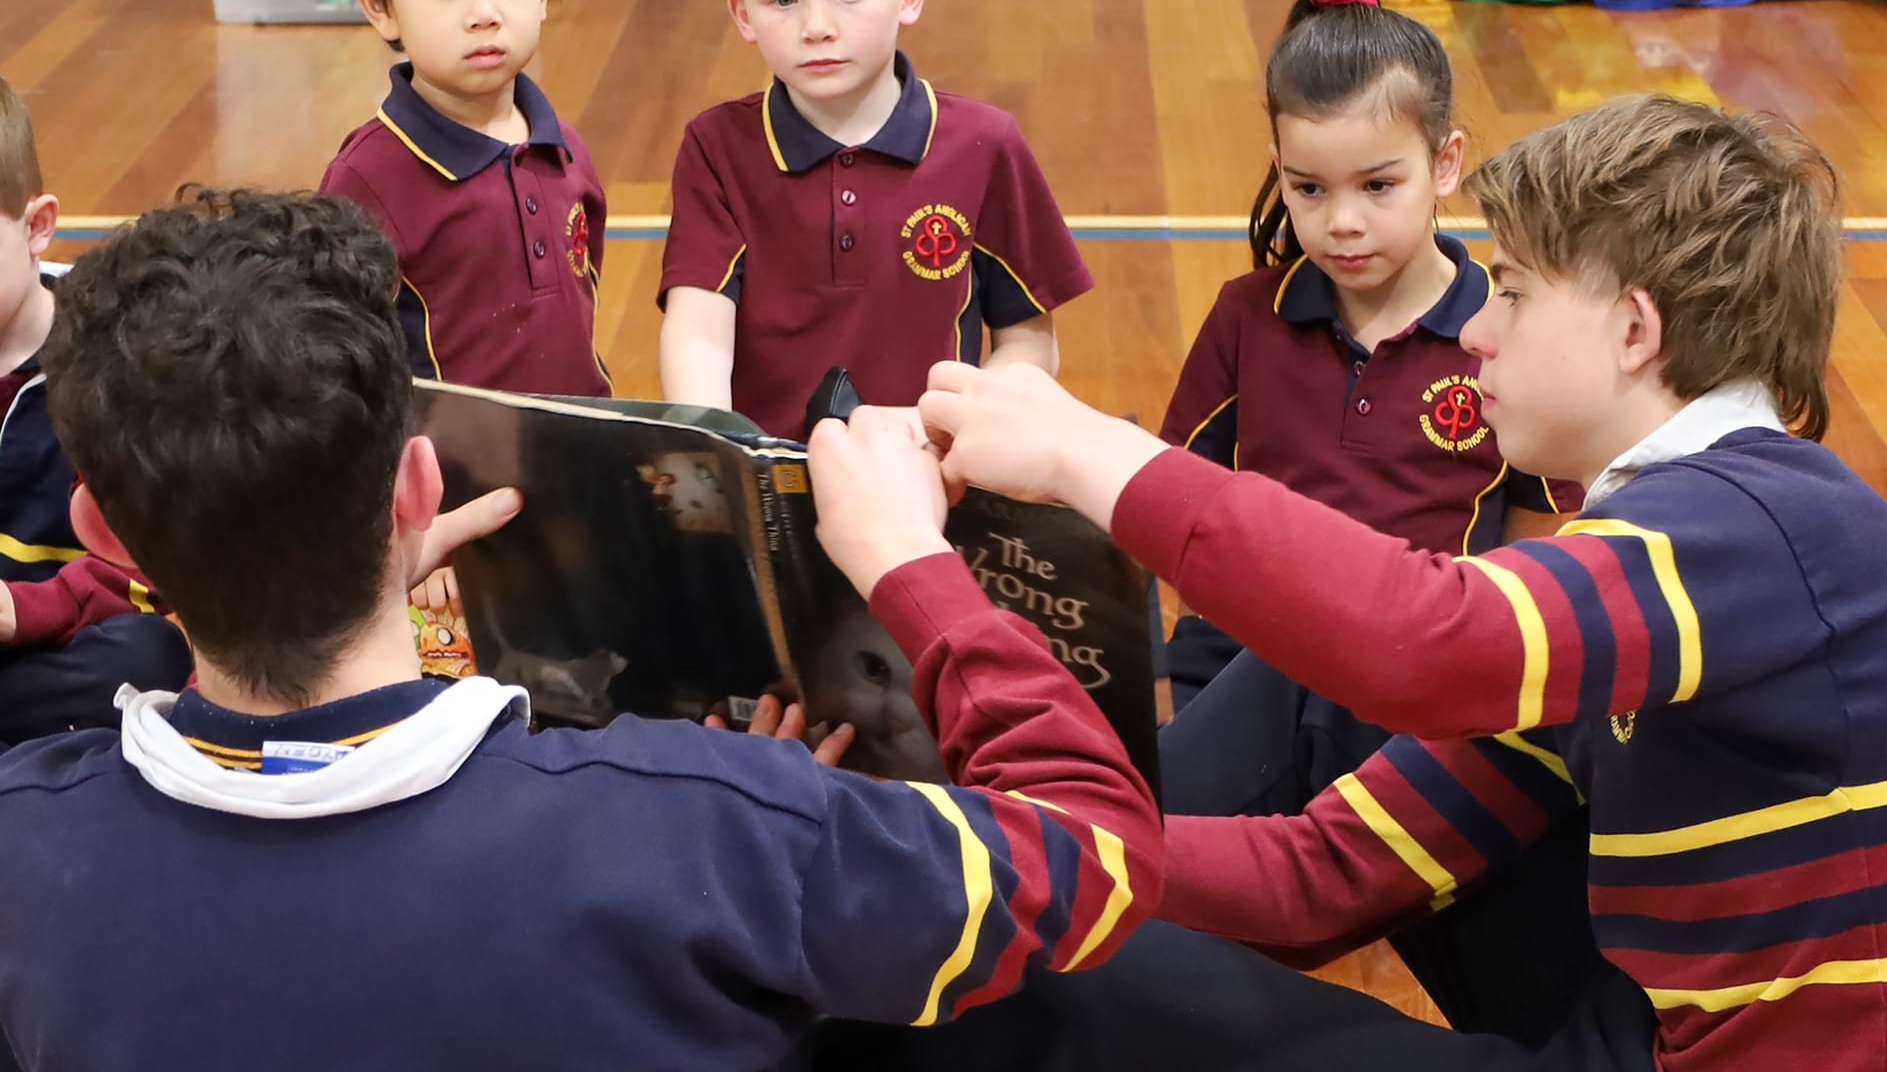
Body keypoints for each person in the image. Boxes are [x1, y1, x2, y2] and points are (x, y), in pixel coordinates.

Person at [887, 95, 1887, 1068]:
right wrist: (995, 836)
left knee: (1034, 980)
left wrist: (1079, 455)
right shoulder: (1651, 563)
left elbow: (1425, 640)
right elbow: (1321, 873)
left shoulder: (1780, 527)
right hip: (1653, 1029)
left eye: (1509, 291)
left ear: (1633, 330)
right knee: (1034, 913)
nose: (1473, 329)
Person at [0, 187, 1160, 1071]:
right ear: (418, 488)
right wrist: (912, 563)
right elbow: (1098, 857)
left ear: (103, 533)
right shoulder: (715, 830)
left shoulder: (29, 843)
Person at [1160, 0, 1576, 708]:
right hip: (1246, 657)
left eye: (1378, 185)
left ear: (1444, 163)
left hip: (1426, 674)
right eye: (1309, 188)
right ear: (1280, 169)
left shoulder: (1506, 330)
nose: (1342, 222)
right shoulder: (1245, 316)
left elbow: (1536, 530)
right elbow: (1180, 496)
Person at [656, 0, 1092, 442]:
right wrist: (719, 448)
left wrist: (935, 431)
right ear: (742, 14)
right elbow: (698, 331)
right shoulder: (716, 147)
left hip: (934, 469)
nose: (817, 26)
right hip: (772, 480)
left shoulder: (985, 143)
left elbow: (1029, 342)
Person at [319, 0, 611, 396]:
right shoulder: (368, 178)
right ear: (379, 3)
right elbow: (337, 354)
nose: (484, 13)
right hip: (444, 451)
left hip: (579, 433)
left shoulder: (565, 150)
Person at [0, 75, 187, 744]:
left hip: (54, 639)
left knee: (148, 659)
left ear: (37, 226)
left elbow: (146, 572)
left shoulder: (114, 354)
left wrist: (20, 610)